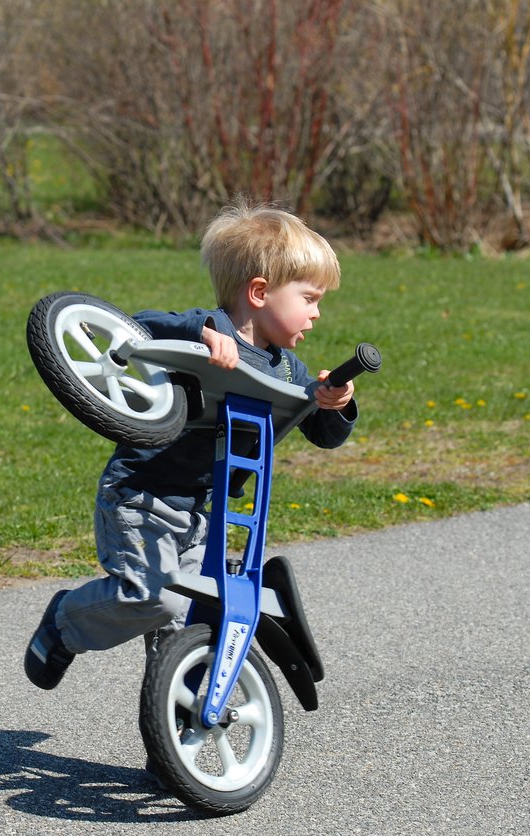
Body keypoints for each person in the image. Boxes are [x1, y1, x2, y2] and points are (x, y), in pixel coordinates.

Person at [24, 199, 358, 691]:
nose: (317, 313)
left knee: (188, 631)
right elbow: (135, 329)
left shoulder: (289, 369)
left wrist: (336, 404)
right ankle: (64, 623)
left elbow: (323, 434)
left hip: (204, 517)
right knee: (152, 599)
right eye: (309, 298)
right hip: (142, 496)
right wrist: (195, 335)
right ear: (260, 292)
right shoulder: (208, 330)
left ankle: (169, 755)